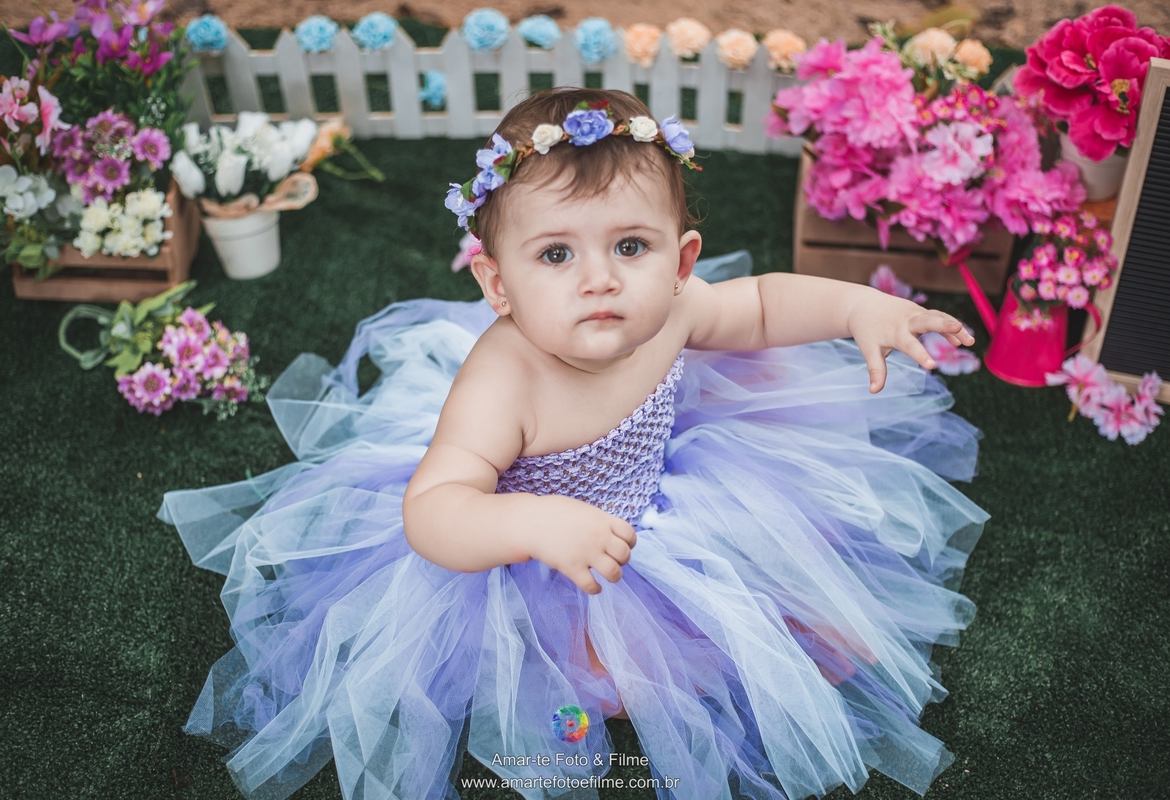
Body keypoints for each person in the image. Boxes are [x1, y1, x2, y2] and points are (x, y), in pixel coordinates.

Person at [160, 87, 989, 800]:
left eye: (630, 246)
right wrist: (536, 524)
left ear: (679, 261)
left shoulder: (676, 311)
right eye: (555, 254)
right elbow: (434, 509)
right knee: (614, 668)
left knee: (792, 575)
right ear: (497, 284)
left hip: (661, 497)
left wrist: (856, 310)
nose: (600, 279)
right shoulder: (502, 383)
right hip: (536, 551)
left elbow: (765, 307)